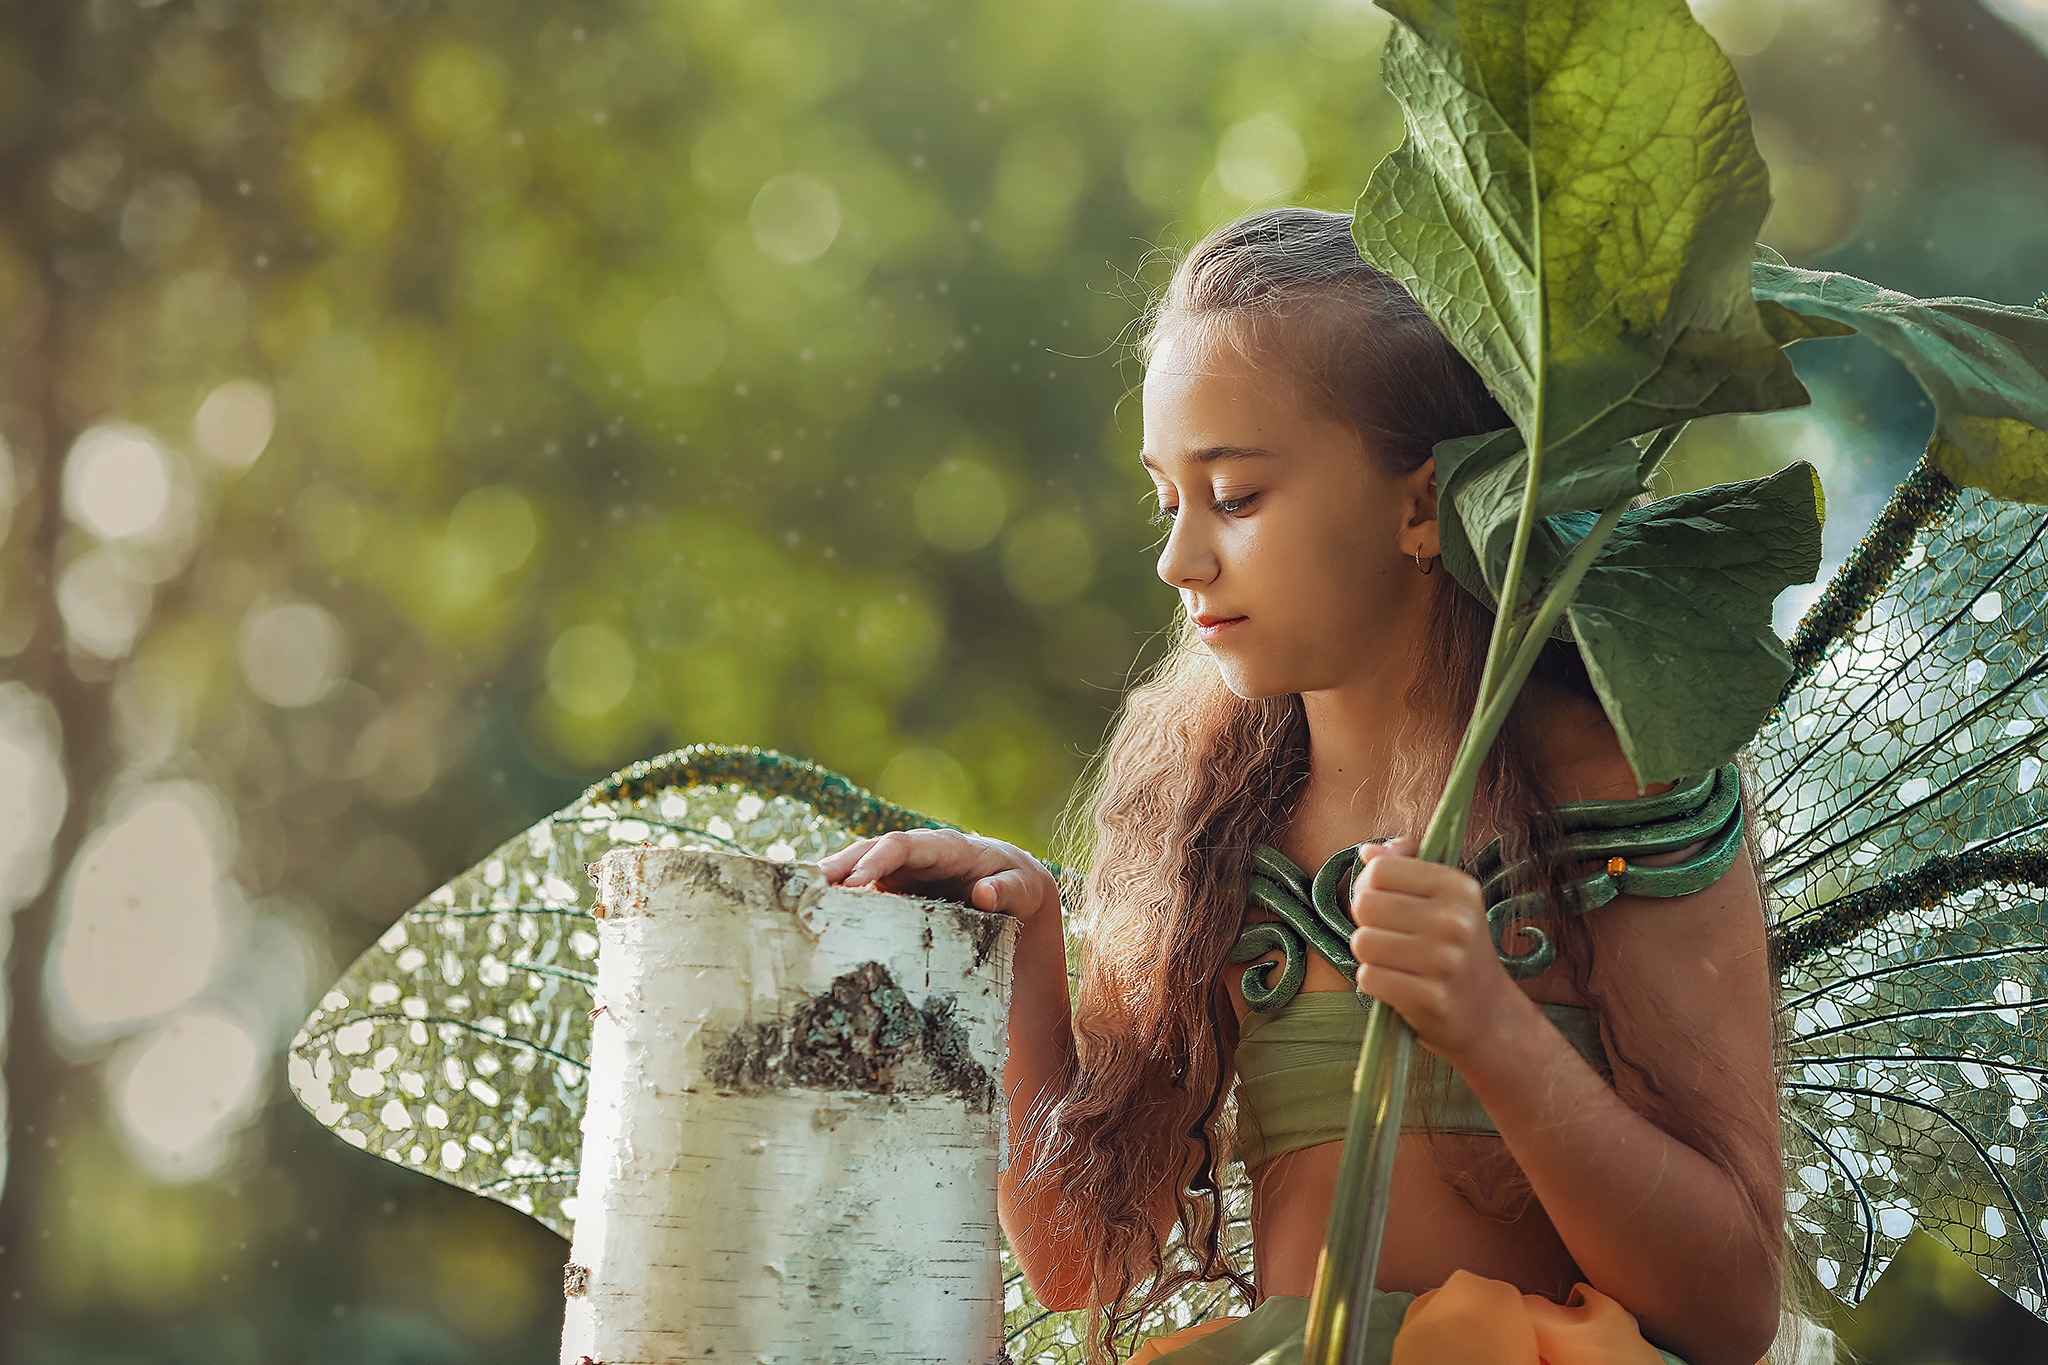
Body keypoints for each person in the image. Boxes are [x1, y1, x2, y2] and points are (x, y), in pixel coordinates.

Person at [835, 206, 1783, 1365]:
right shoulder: (1211, 817)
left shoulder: (1616, 787)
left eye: (1234, 496)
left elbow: (1728, 1309)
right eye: (1166, 501)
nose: (1177, 560)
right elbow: (1080, 1259)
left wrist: (1491, 1027)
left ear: (1421, 504)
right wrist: (1024, 948)